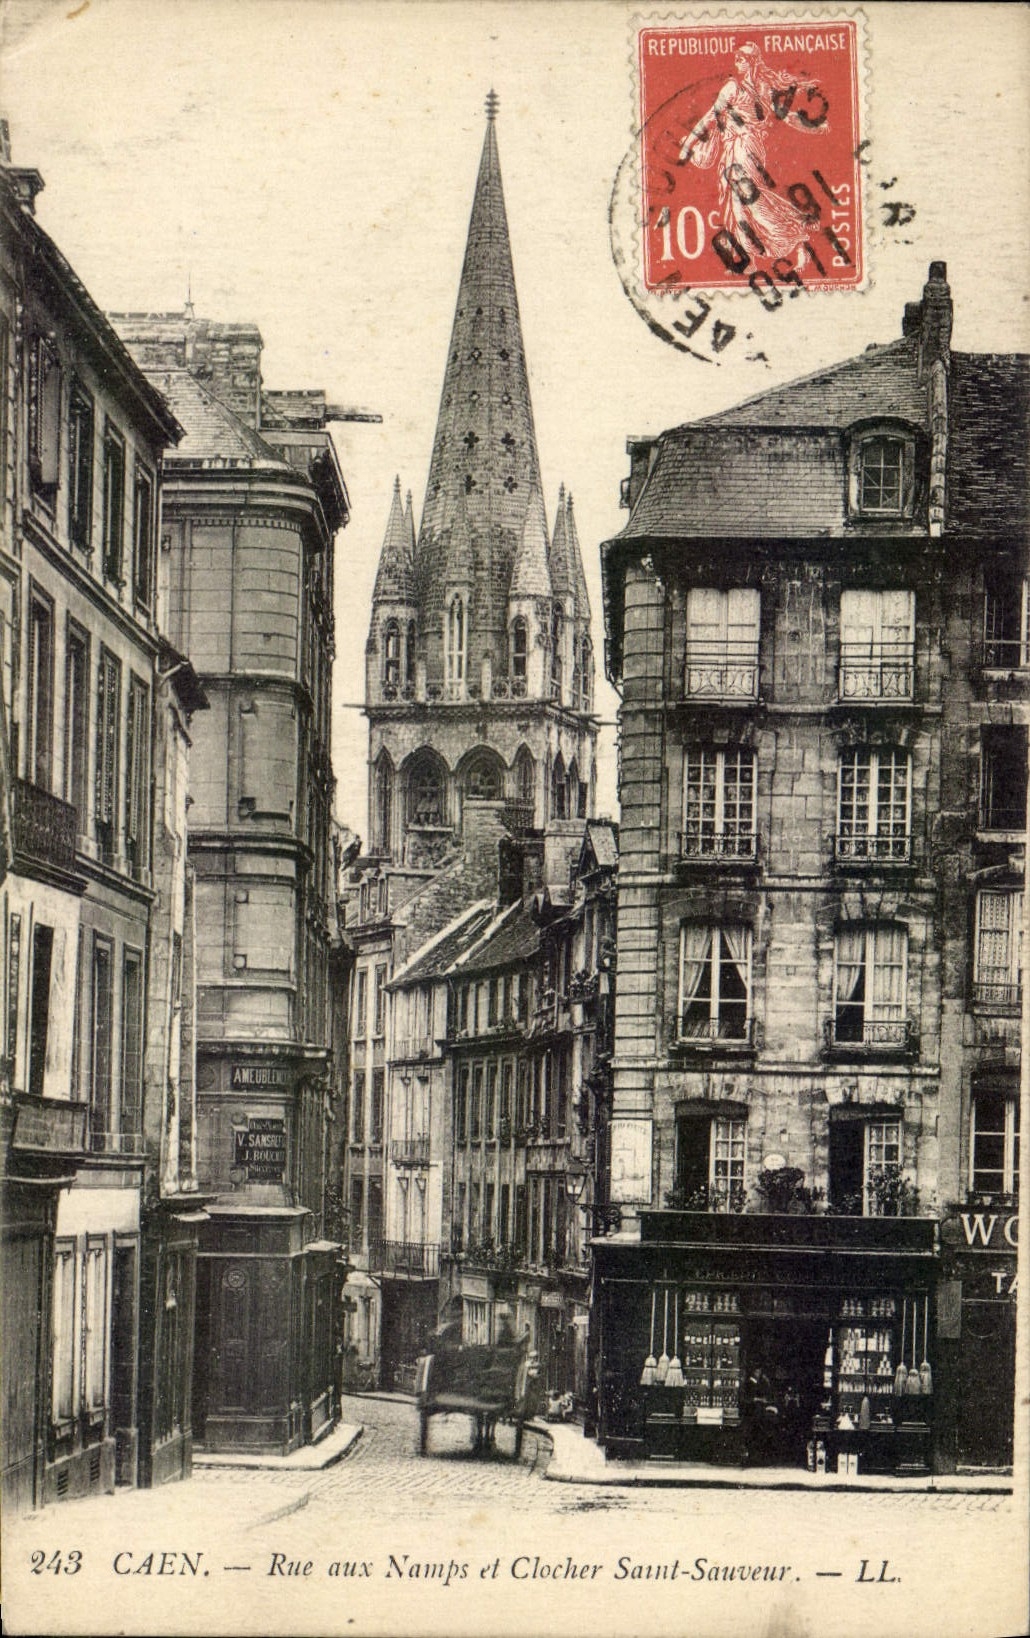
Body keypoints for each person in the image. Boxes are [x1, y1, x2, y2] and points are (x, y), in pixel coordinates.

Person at [680, 42, 829, 266]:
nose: (736, 63)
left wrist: (687, 144)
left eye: (740, 59)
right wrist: (814, 126)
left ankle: (795, 235)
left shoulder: (734, 88)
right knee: (742, 203)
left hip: (742, 148)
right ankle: (758, 255)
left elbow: (710, 118)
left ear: (750, 62)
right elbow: (788, 116)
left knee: (747, 201)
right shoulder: (763, 89)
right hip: (748, 149)